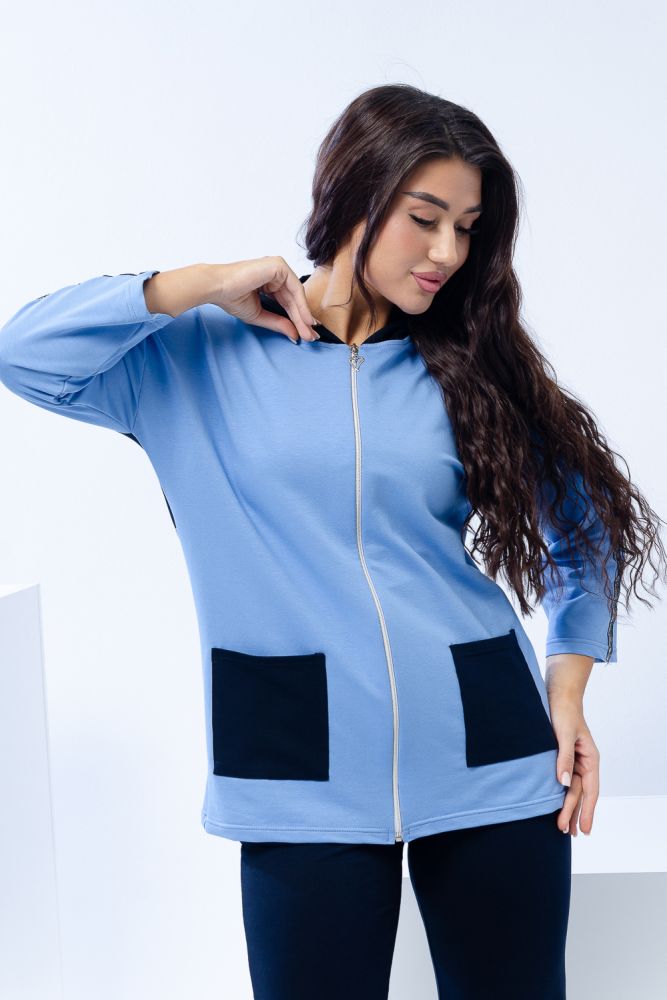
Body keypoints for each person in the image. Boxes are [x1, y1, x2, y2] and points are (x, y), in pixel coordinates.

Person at [0, 83, 664, 999]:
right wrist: (199, 284)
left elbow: (582, 527)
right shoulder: (190, 359)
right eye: (423, 218)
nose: (446, 252)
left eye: (466, 228)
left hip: (490, 752)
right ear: (355, 192)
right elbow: (24, 353)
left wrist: (567, 687)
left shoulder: (468, 363)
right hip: (296, 769)